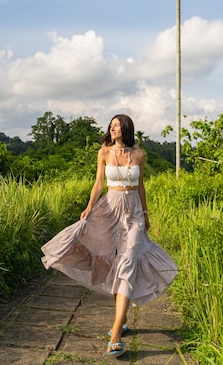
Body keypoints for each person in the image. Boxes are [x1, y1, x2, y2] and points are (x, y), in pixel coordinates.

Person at [41, 114, 178, 358]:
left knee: (127, 261)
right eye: (111, 125)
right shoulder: (104, 152)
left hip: (133, 212)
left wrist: (146, 214)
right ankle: (122, 317)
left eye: (116, 125)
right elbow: (98, 185)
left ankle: (116, 333)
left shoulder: (139, 155)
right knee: (114, 262)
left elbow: (141, 186)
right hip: (110, 210)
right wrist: (89, 207)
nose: (112, 128)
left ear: (125, 128)